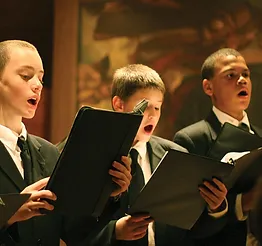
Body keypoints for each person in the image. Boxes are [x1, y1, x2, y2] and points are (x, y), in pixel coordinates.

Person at [0, 40, 132, 246]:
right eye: (26, 76)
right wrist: (9, 212)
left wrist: (106, 194)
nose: (37, 85)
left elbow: (74, 233)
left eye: (41, 78)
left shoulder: (49, 152)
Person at [86, 64, 228, 246]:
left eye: (158, 107)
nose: (152, 115)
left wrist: (216, 208)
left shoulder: (175, 155)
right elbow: (74, 229)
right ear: (119, 104)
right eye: (144, 106)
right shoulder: (93, 154)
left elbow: (191, 230)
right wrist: (114, 232)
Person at [173, 48, 262, 246]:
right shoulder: (190, 139)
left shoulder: (260, 136)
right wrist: (241, 203)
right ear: (208, 87)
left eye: (246, 74)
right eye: (231, 75)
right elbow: (185, 220)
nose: (242, 80)